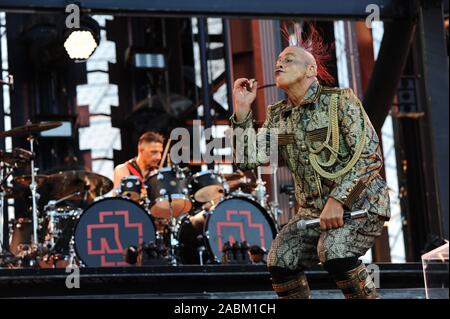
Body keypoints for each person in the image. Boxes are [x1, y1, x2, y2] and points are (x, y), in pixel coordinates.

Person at [229, 26, 390, 299]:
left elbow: (370, 159)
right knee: (279, 259)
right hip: (312, 214)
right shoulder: (278, 116)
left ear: (310, 70)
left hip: (361, 204)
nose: (279, 63)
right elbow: (247, 160)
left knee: (334, 250)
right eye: (278, 60)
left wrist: (339, 200)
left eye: (289, 59)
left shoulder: (341, 101)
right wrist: (242, 112)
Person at [113, 131, 164, 199]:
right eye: (153, 152)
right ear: (141, 150)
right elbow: (117, 202)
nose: (159, 157)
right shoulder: (123, 170)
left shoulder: (158, 173)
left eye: (160, 152)